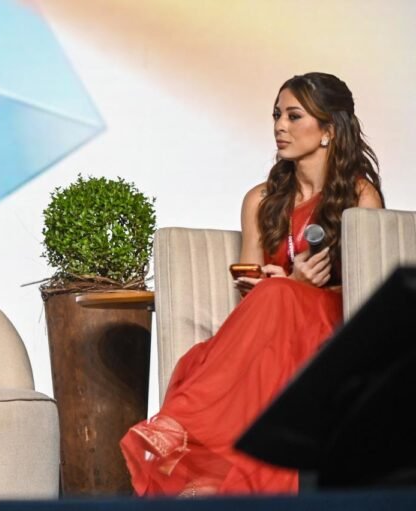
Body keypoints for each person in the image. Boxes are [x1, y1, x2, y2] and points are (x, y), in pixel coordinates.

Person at [120, 72, 384, 496]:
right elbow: (248, 279)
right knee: (220, 348)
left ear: (328, 130)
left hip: (330, 329)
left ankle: (179, 424)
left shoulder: (359, 196)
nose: (280, 125)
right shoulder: (261, 199)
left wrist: (302, 289)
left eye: (294, 116)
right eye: (277, 115)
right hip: (271, 326)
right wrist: (281, 283)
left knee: (276, 297)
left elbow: (368, 293)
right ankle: (218, 480)